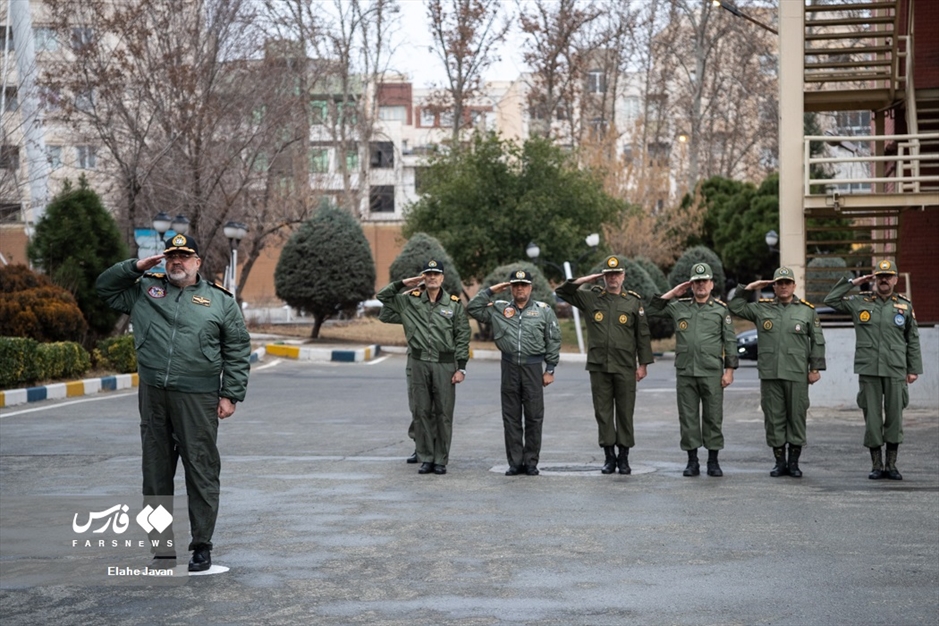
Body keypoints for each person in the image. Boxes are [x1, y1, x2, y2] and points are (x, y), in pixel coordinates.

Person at [96, 234, 251, 572]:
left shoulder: (219, 301)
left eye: (184, 256)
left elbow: (237, 349)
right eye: (171, 256)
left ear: (197, 263)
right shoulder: (145, 290)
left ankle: (201, 546)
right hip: (153, 397)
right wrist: (135, 266)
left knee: (201, 471)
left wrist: (230, 394)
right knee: (155, 475)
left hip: (198, 398)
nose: (176, 262)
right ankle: (162, 549)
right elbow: (104, 288)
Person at [823, 260, 922, 480]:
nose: (884, 280)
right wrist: (854, 282)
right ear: (874, 279)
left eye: (888, 276)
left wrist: (913, 369)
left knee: (895, 416)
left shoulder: (904, 306)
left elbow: (912, 339)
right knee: (872, 418)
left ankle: (892, 465)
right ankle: (877, 465)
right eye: (880, 276)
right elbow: (831, 299)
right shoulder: (859, 302)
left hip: (896, 369)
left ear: (895, 279)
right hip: (869, 369)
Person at [555, 255, 654, 475]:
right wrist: (587, 279)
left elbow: (642, 335)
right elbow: (562, 292)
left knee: (625, 412)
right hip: (599, 366)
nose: (613, 279)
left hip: (625, 366)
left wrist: (643, 364)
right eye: (608, 275)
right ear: (603, 277)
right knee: (603, 412)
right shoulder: (592, 298)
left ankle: (624, 457)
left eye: (616, 274)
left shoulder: (633, 301)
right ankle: (609, 457)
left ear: (623, 275)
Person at [728, 267, 826, 478]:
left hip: (797, 374)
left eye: (787, 283)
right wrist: (749, 288)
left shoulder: (806, 311)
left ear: (793, 286)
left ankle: (794, 463)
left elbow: (817, 341)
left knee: (796, 417)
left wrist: (815, 369)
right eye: (779, 283)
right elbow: (735, 306)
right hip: (771, 373)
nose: (783, 286)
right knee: (773, 418)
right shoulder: (761, 309)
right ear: (773, 286)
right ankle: (779, 462)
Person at [376, 260, 470, 475]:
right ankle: (426, 457)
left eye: (436, 274)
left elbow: (463, 336)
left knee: (444, 413)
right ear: (423, 277)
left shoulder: (453, 304)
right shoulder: (411, 302)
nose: (432, 277)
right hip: (418, 362)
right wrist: (403, 284)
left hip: (445, 364)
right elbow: (382, 297)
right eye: (428, 274)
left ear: (443, 278)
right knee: (422, 411)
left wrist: (461, 367)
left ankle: (441, 459)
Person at [647, 262, 737, 477]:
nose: (700, 285)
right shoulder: (680, 307)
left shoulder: (720, 310)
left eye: (704, 281)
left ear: (711, 284)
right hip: (686, 372)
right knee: (688, 417)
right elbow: (651, 309)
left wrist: (729, 370)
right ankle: (692, 461)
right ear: (691, 285)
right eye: (696, 282)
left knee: (713, 417)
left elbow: (730, 341)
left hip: (711, 372)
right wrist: (674, 292)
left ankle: (713, 461)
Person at [467, 269, 561, 476]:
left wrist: (550, 369)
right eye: (516, 285)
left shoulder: (543, 310)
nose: (520, 289)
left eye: (524, 285)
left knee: (534, 417)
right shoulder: (499, 309)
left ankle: (531, 462)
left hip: (533, 368)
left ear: (530, 288)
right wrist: (491, 291)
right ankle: (515, 462)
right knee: (511, 417)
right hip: (509, 367)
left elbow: (553, 339)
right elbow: (472, 308)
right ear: (510, 288)